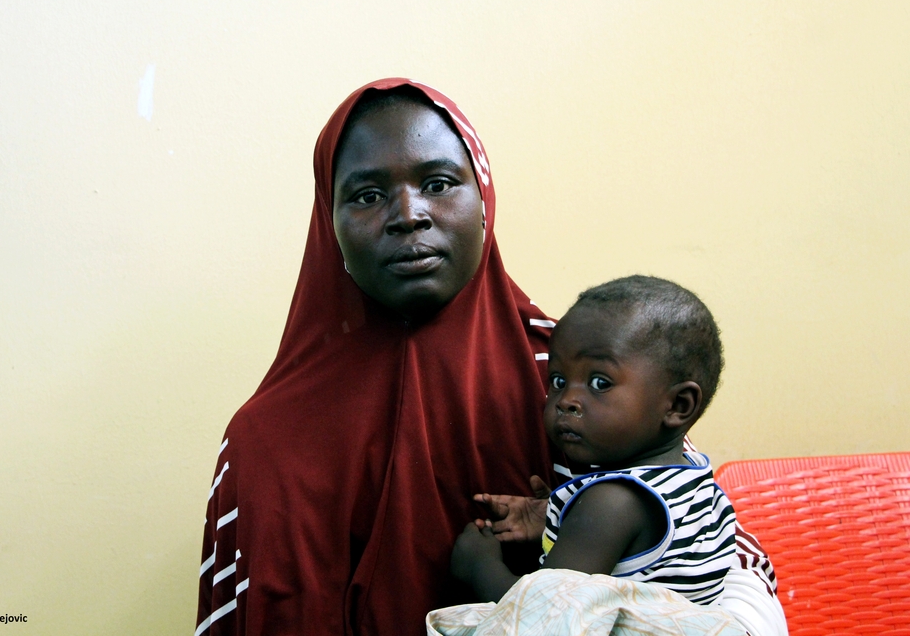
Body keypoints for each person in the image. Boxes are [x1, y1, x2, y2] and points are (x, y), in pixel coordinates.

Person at [195, 79, 786, 636]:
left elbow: (720, 554)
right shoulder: (267, 440)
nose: (409, 215)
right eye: (368, 194)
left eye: (438, 183)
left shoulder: (568, 377)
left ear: (484, 199)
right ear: (330, 224)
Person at [450, 276, 736, 608]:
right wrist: (560, 522)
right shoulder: (695, 478)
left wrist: (481, 566)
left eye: (600, 383)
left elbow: (539, 616)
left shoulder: (612, 503)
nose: (566, 400)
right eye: (557, 380)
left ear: (677, 405)